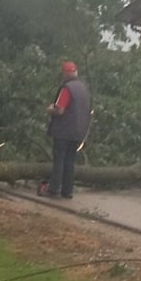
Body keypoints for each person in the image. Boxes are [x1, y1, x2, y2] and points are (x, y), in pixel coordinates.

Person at [43, 60, 92, 199]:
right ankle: (67, 191)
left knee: (59, 161)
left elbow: (60, 110)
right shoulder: (83, 88)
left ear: (65, 73)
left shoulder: (67, 88)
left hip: (63, 131)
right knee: (70, 162)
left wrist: (50, 109)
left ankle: (53, 190)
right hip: (78, 132)